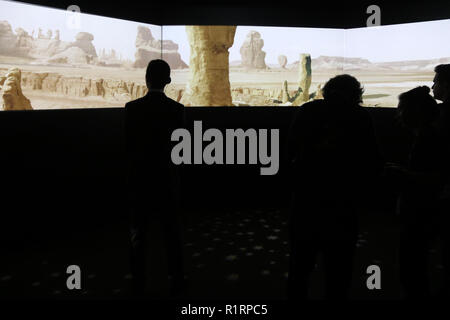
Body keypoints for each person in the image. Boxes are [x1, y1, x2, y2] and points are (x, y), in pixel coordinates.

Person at [287, 74, 383, 300]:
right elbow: (371, 160)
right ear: (356, 93)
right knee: (339, 268)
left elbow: (290, 150)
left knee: (300, 265)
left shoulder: (307, 111)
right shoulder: (360, 117)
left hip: (306, 199)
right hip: (343, 202)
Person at [125, 59, 186, 297]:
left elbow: (128, 147)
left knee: (138, 233)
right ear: (168, 81)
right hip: (168, 181)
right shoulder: (178, 110)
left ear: (146, 79)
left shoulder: (131, 109)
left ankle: (138, 281)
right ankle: (176, 279)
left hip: (140, 181)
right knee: (172, 232)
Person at [384, 86, 445, 299]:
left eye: (402, 109)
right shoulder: (429, 136)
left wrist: (403, 174)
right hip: (424, 212)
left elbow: (435, 179)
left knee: (412, 269)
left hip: (421, 214)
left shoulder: (427, 140)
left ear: (413, 113)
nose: (399, 114)